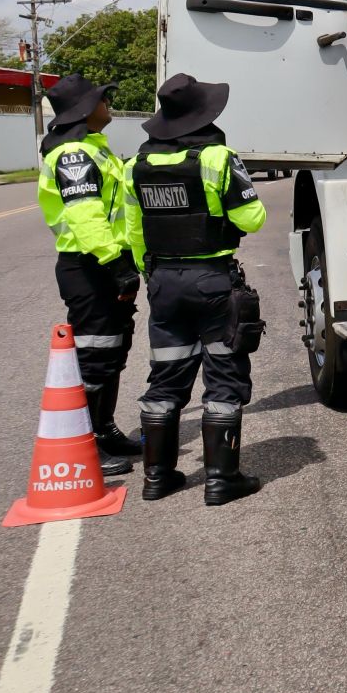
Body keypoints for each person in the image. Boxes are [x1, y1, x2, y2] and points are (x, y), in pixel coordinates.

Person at [123, 74, 267, 505]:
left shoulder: (135, 166)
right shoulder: (218, 159)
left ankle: (157, 477)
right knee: (223, 373)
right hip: (212, 282)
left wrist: (151, 276)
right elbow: (252, 218)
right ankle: (222, 480)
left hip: (163, 282)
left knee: (166, 374)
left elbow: (133, 232)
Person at [37, 74, 143, 477]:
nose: (108, 103)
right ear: (85, 110)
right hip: (90, 265)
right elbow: (85, 215)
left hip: (104, 262)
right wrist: (116, 264)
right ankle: (87, 445)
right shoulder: (75, 155)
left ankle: (104, 430)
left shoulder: (94, 149)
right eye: (102, 99)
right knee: (96, 356)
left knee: (112, 352)